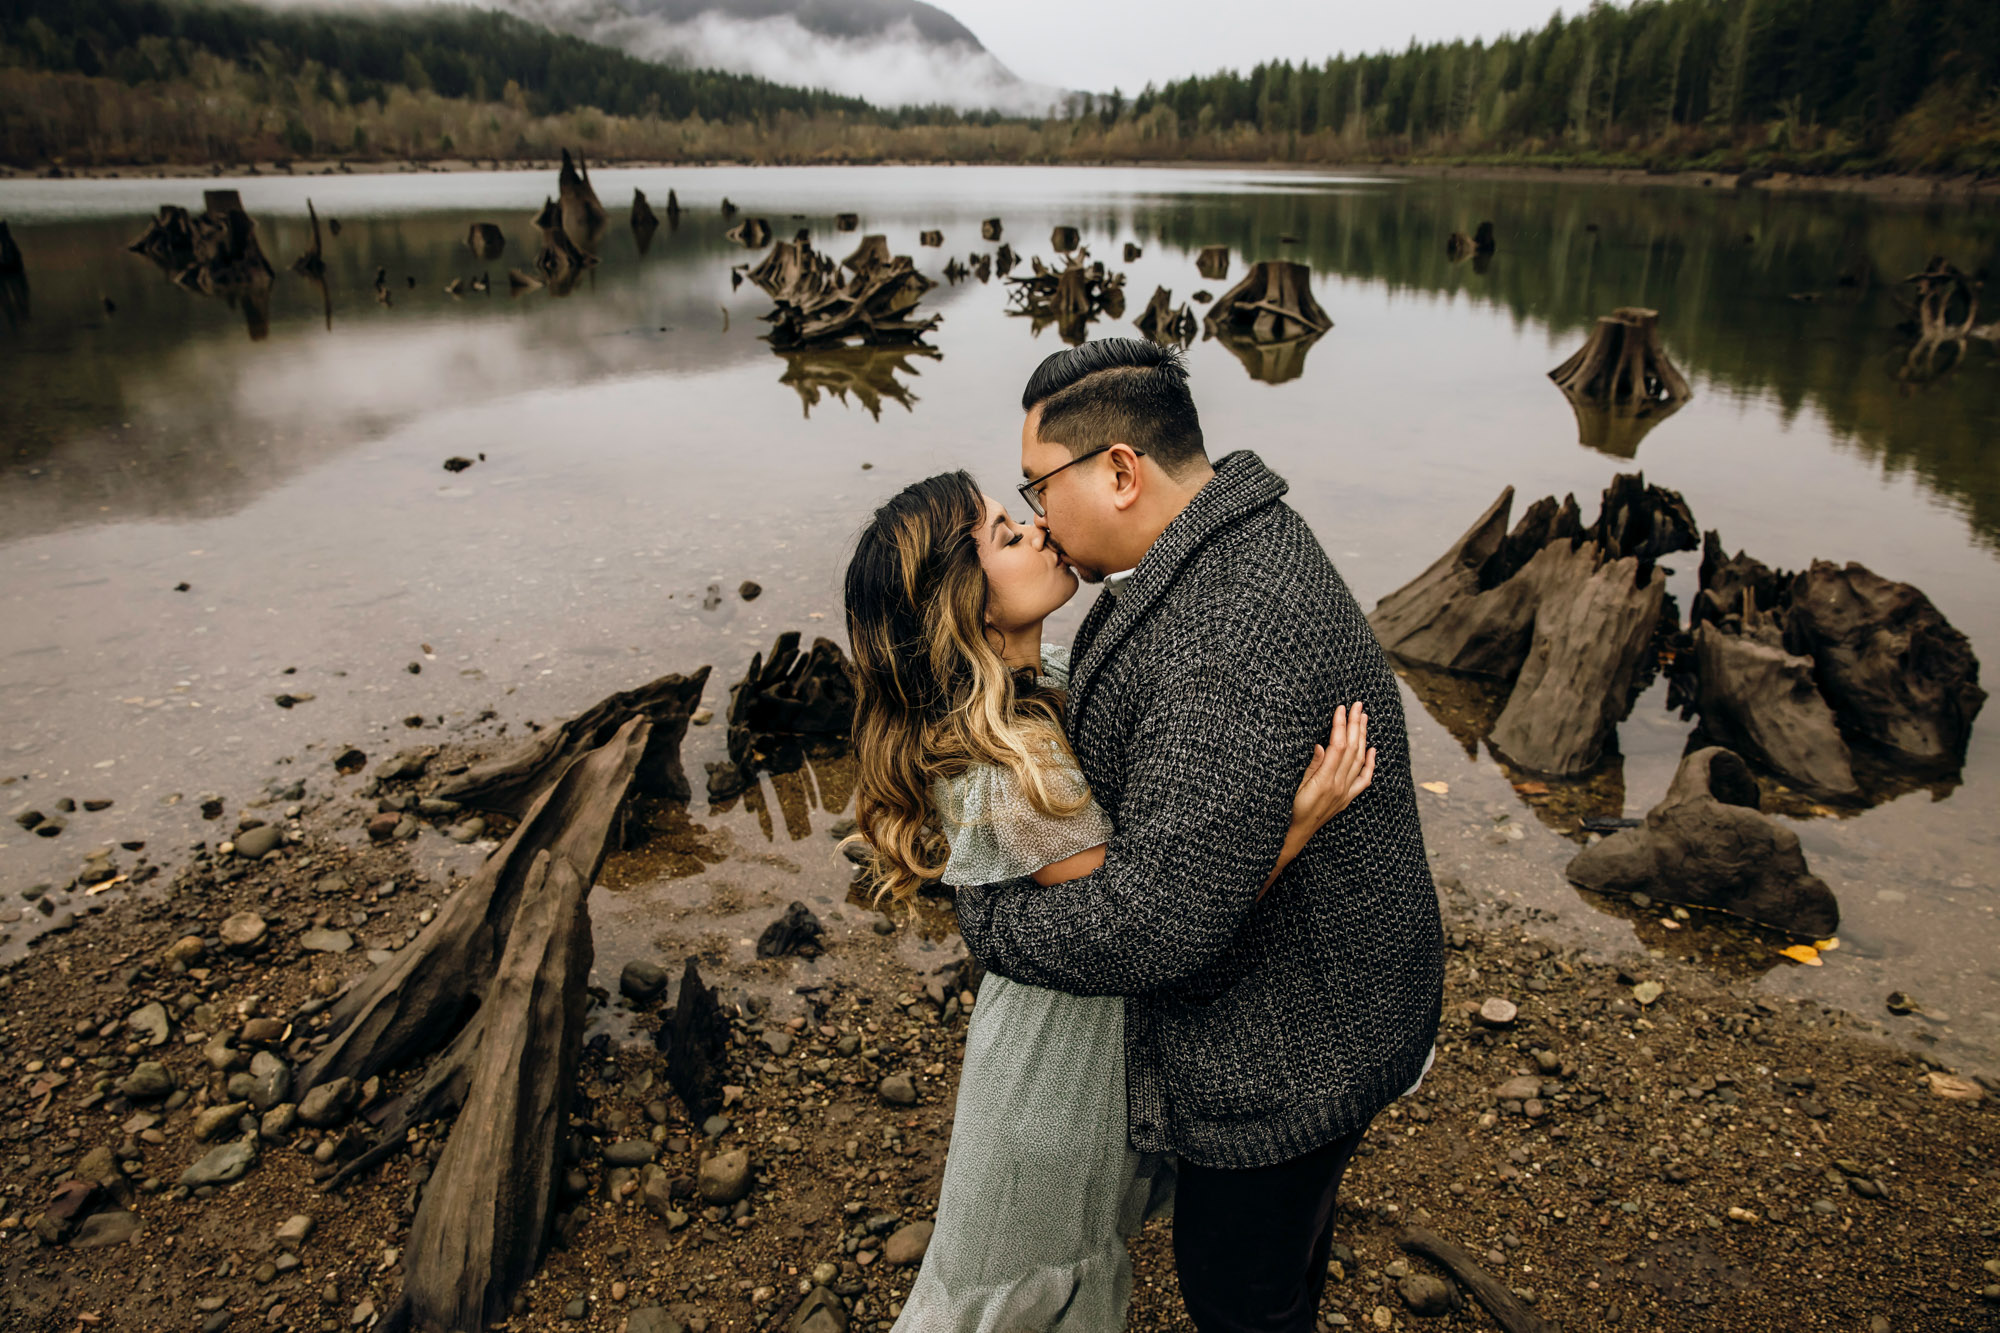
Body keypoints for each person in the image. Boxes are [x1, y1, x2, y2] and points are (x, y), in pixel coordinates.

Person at [952, 338, 1445, 1333]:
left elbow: (1158, 923)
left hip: (1292, 1050)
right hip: (1334, 1002)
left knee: (1238, 1294)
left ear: (1121, 470)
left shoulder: (1224, 640)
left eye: (1036, 487)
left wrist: (992, 928)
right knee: (1284, 1252)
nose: (1037, 517)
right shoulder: (1219, 544)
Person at [844, 469, 1379, 1332]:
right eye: (1008, 535)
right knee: (1024, 1286)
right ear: (970, 603)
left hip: (1074, 1024)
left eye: (1024, 514)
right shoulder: (1012, 760)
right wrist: (1300, 818)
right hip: (1054, 1070)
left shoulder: (1045, 682)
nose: (1039, 529)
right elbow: (1145, 922)